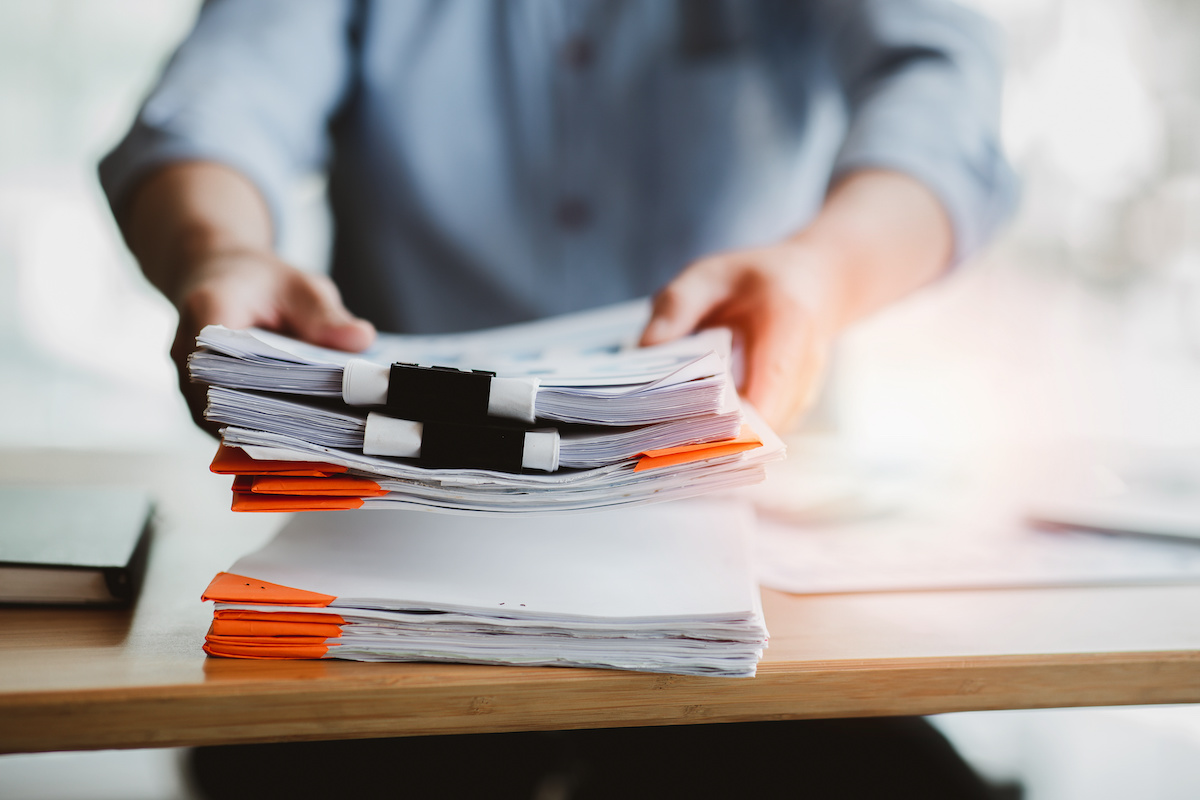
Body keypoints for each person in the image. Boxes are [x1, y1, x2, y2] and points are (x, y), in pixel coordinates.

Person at [101, 1, 1017, 797]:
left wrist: (824, 269)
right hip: (393, 556)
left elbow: (943, 98)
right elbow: (216, 103)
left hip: (740, 547)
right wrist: (217, 251)